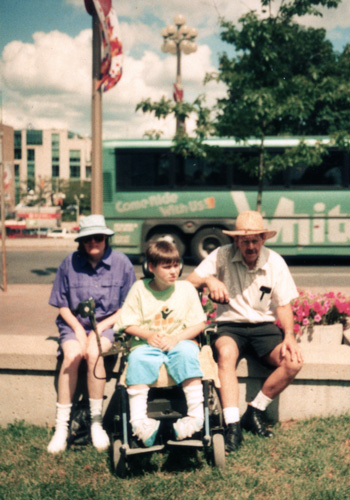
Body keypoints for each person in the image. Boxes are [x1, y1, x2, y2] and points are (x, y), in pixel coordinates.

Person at [187, 210, 304, 453]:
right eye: (244, 240)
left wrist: (290, 336)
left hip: (264, 327)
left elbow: (283, 305)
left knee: (292, 362)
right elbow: (189, 282)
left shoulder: (275, 262)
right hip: (231, 325)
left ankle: (255, 411)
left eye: (255, 240)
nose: (250, 246)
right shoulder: (221, 255)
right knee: (226, 354)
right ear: (236, 240)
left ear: (263, 239)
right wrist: (210, 281)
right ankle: (232, 426)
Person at [47, 214, 136, 454]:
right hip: (73, 326)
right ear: (81, 241)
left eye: (98, 237)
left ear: (106, 238)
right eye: (87, 238)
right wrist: (78, 329)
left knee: (95, 353)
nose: (93, 242)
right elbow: (62, 305)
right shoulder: (69, 263)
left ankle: (96, 423)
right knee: (72, 356)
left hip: (107, 326)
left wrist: (100, 329)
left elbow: (126, 308)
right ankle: (61, 427)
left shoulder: (122, 263)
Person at [114, 240, 207, 447]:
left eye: (176, 265)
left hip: (179, 340)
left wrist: (177, 338)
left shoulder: (186, 289)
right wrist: (147, 334)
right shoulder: (139, 289)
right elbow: (126, 323)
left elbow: (199, 324)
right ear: (151, 267)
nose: (173, 271)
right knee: (138, 358)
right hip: (147, 343)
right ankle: (140, 422)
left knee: (186, 355)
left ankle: (195, 417)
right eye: (166, 267)